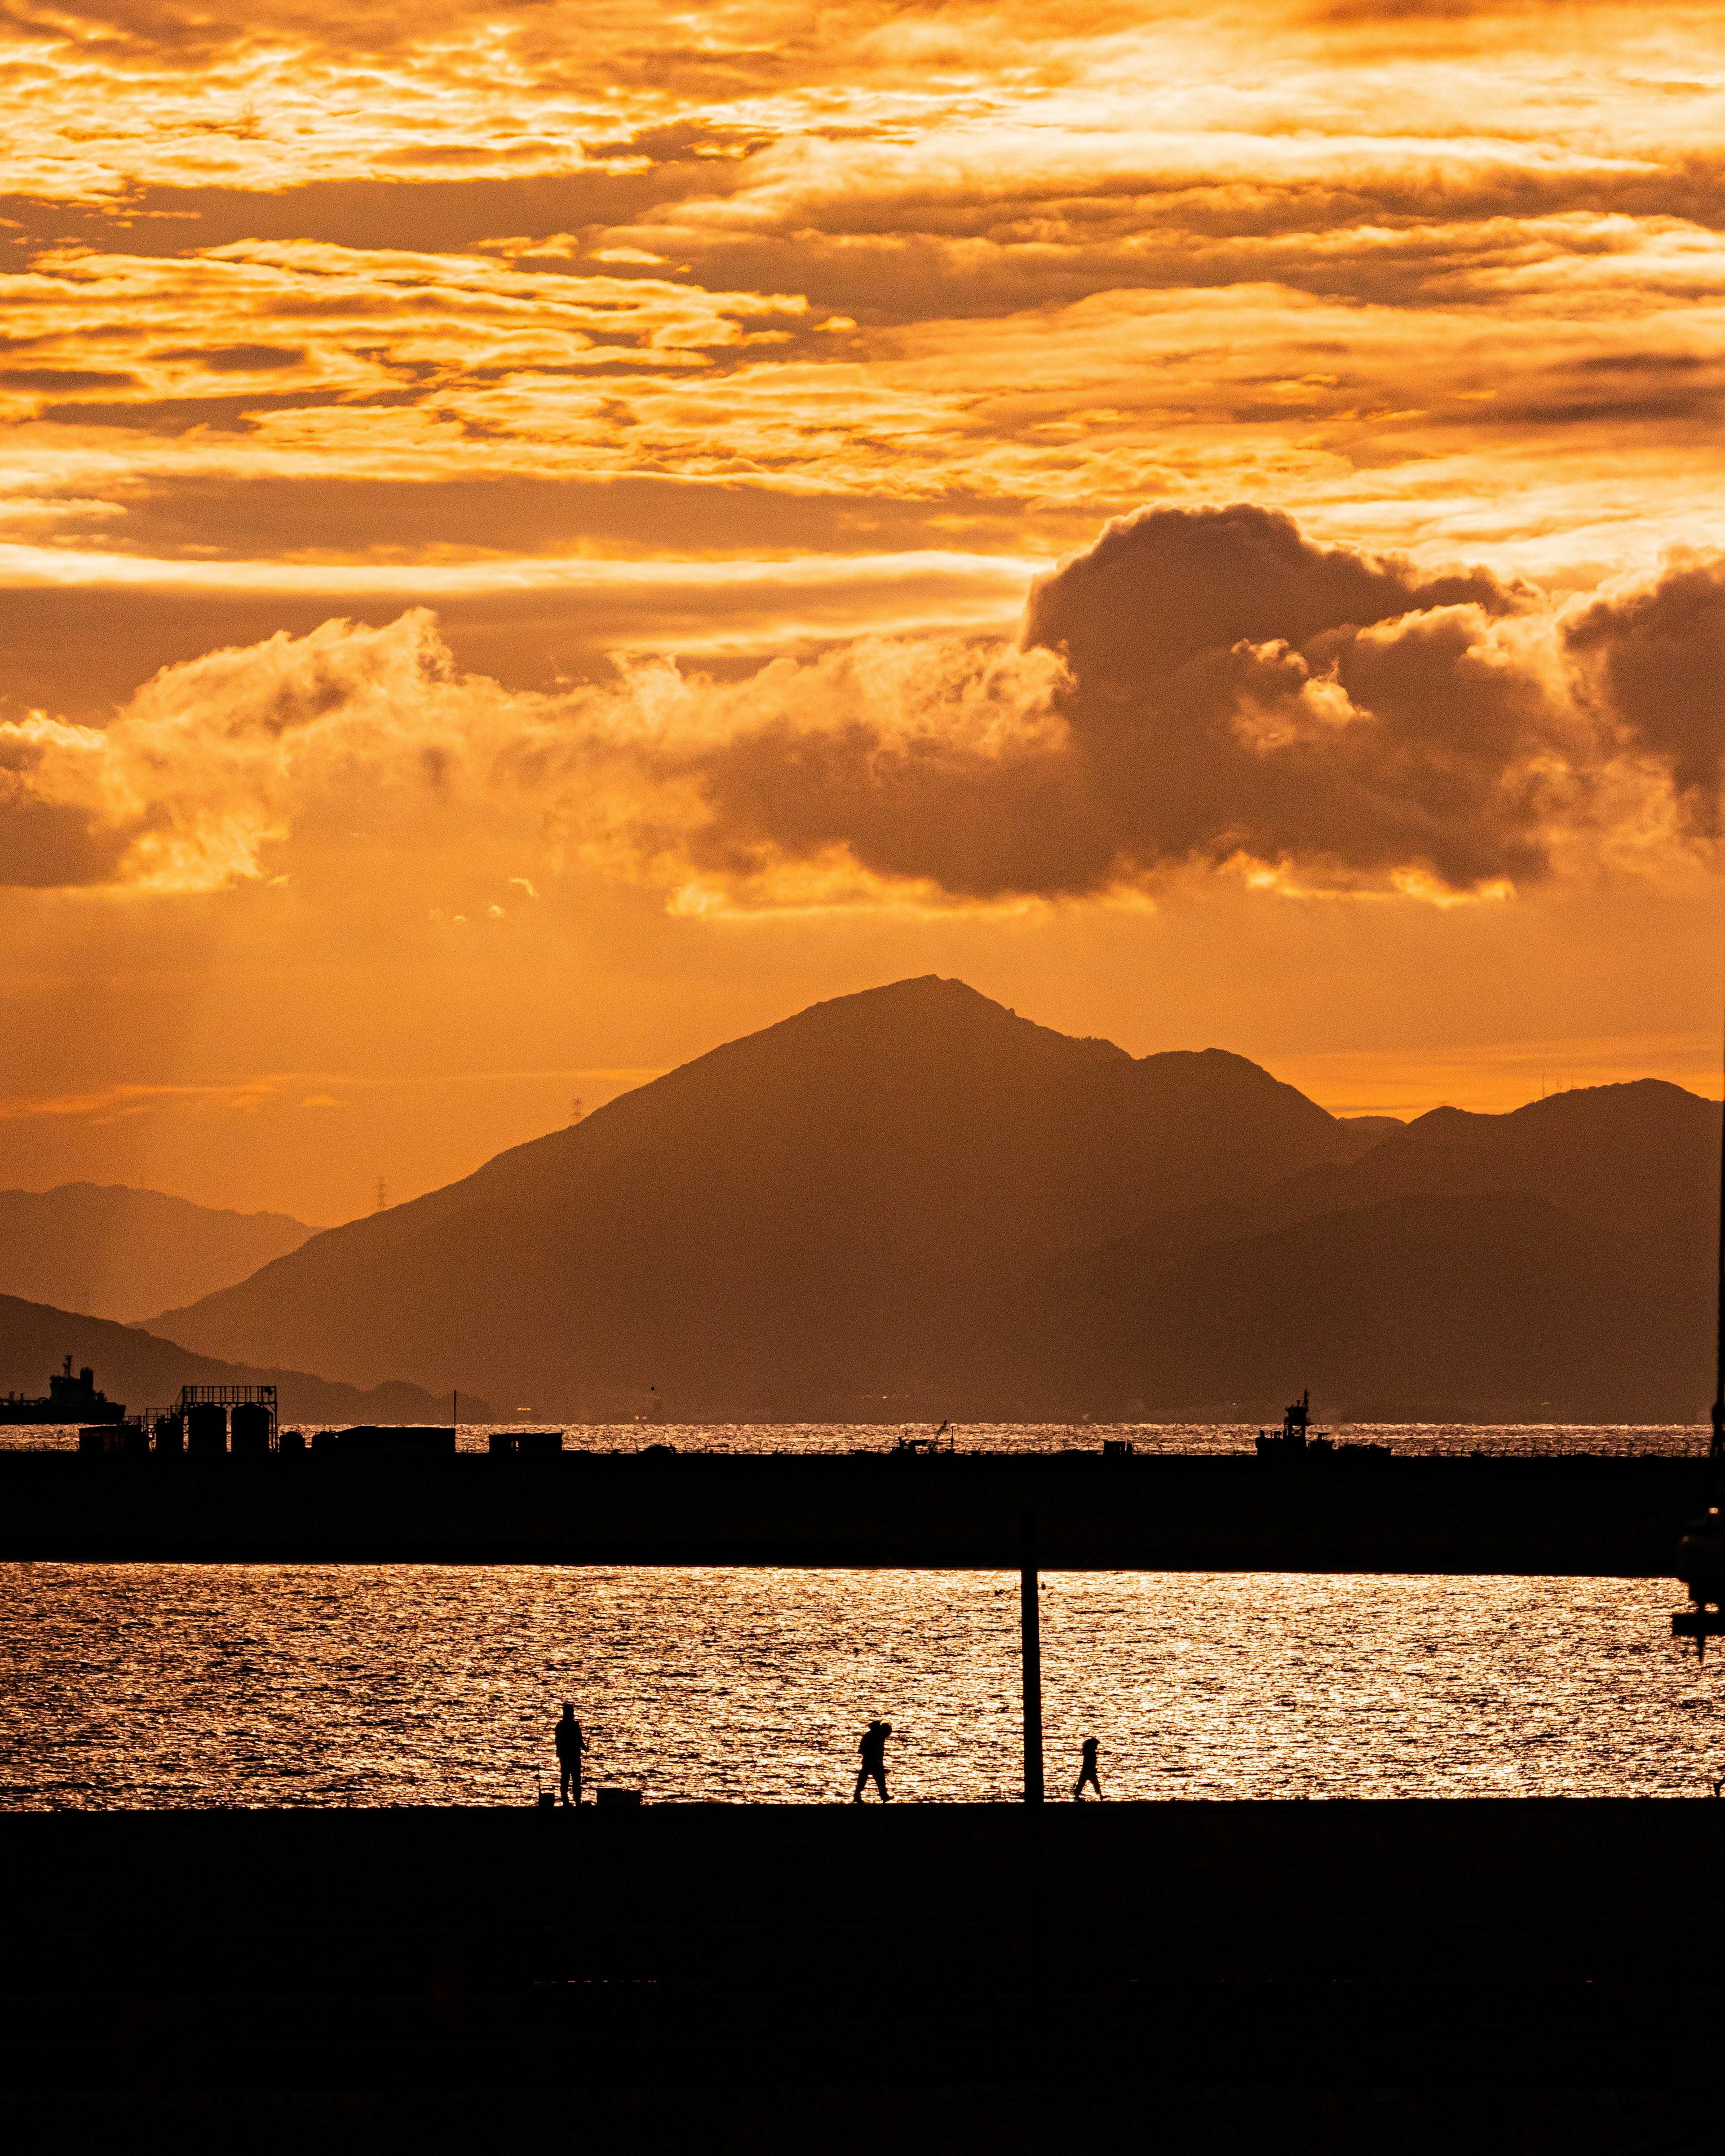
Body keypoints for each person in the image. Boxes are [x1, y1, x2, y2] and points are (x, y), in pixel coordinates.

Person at [853, 1719, 892, 1803]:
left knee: (863, 1778)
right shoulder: (878, 1737)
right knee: (880, 1779)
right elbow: (880, 1753)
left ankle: (857, 1795)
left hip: (867, 1759)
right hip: (873, 1760)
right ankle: (884, 1796)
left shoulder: (870, 1735)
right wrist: (881, 1765)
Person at [555, 1703, 587, 1806]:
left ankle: (566, 1800)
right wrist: (585, 1748)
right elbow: (579, 1740)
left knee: (566, 1777)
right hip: (572, 1756)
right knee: (575, 1778)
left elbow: (558, 1742)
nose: (573, 1714)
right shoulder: (574, 1726)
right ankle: (576, 1800)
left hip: (564, 1756)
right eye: (572, 1712)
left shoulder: (560, 1726)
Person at [1073, 1735, 1102, 1802]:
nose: (1097, 1747)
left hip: (1087, 1771)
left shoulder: (1089, 1752)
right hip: (1089, 1771)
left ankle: (1100, 1795)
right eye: (1096, 1745)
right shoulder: (1090, 1753)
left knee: (1085, 1783)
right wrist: (1093, 1769)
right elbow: (1090, 1763)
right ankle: (1100, 1795)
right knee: (1093, 1783)